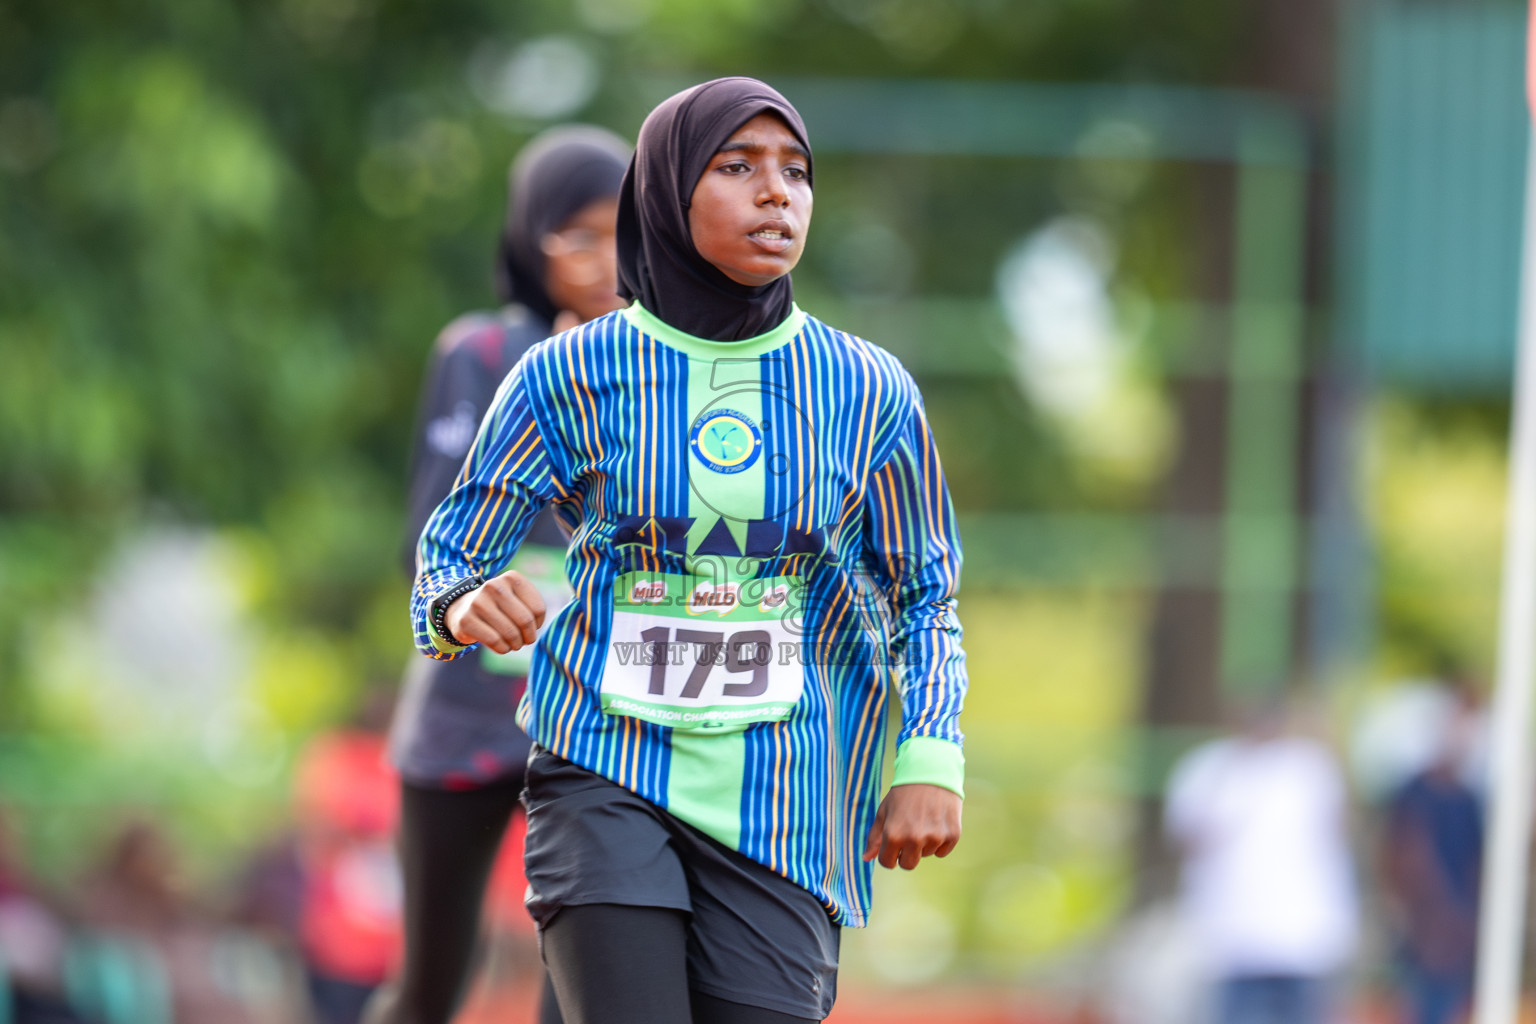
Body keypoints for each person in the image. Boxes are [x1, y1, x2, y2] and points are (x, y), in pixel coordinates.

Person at [409, 77, 968, 1024]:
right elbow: (449, 550)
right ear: (668, 192)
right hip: (603, 767)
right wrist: (463, 604)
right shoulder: (567, 373)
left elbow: (924, 595)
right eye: (738, 167)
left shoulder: (868, 389)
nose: (776, 192)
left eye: (796, 171)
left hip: (786, 803)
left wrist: (929, 753)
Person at [367, 125, 631, 1024]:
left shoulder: (658, 370)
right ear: (530, 238)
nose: (605, 260)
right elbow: (431, 540)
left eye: (624, 233)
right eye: (579, 236)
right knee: (431, 985)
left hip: (596, 717)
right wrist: (479, 589)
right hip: (467, 712)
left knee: (585, 981)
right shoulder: (482, 354)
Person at [1164, 699, 1358, 1024]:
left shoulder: (1309, 765)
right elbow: (1187, 837)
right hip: (1232, 941)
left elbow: (1341, 827)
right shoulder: (1211, 767)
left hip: (1304, 939)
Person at [1382, 687, 1483, 1024]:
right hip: (1425, 933)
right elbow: (1406, 858)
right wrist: (1435, 918)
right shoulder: (1415, 793)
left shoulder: (1468, 798)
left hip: (1459, 933)